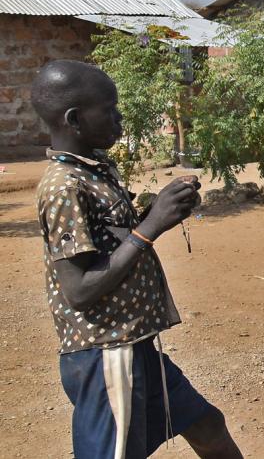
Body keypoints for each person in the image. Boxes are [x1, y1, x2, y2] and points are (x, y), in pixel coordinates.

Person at [32, 60, 242, 459]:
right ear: (74, 119)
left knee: (207, 426)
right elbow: (78, 289)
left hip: (135, 343)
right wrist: (151, 227)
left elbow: (113, 239)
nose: (119, 117)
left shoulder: (94, 170)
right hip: (107, 353)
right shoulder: (63, 187)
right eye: (108, 109)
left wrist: (157, 210)